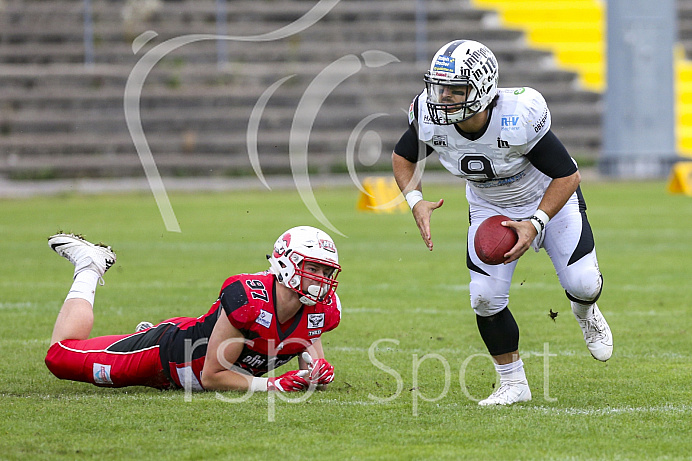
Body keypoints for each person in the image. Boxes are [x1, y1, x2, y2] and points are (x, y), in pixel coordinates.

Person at [392, 40, 613, 406]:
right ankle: (513, 383)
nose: (443, 97)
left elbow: (568, 176)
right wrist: (415, 200)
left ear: (481, 88)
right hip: (488, 206)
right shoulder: (430, 115)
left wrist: (536, 222)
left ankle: (585, 312)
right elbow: (403, 156)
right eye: (440, 87)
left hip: (547, 198)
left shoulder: (518, 115)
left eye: (456, 89)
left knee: (584, 284)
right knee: (484, 297)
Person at [45, 226, 342, 393]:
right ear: (286, 263)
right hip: (166, 357)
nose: (321, 279)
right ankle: (89, 265)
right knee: (58, 357)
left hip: (200, 343)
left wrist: (314, 375)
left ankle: (146, 330)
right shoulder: (250, 300)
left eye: (326, 271)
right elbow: (212, 376)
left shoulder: (320, 310)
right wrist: (273, 384)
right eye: (312, 267)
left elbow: (308, 354)